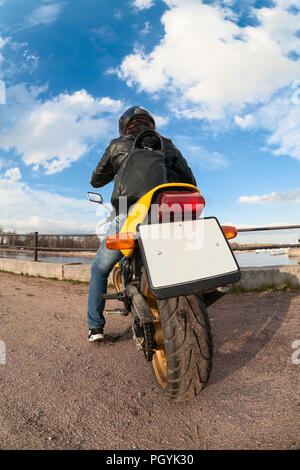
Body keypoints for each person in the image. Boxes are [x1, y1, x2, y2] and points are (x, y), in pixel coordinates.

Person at [87, 106, 197, 341]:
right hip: (167, 213)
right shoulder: (166, 144)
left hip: (129, 212)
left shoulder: (117, 145)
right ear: (151, 124)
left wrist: (116, 170)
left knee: (99, 269)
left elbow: (95, 180)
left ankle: (95, 327)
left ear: (124, 125)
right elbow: (190, 179)